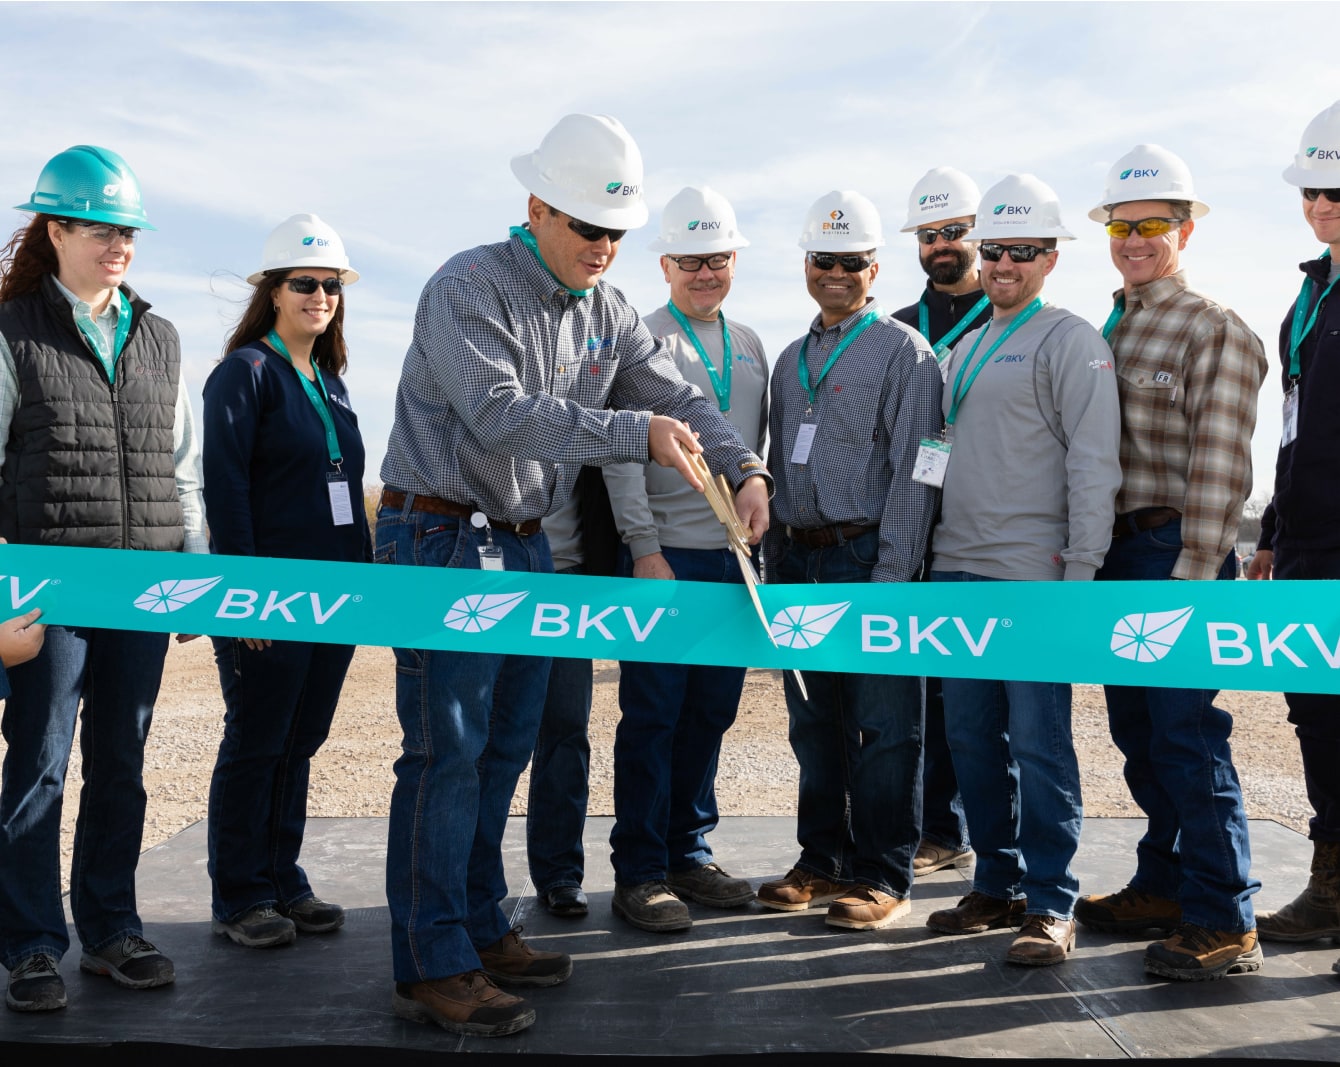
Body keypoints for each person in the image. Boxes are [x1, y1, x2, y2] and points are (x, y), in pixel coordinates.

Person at [376, 113, 771, 1038]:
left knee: (502, 748)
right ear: (537, 208)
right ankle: (433, 961)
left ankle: (478, 927)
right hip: (440, 536)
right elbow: (503, 416)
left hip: (522, 542)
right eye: (589, 227)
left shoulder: (607, 311)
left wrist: (744, 466)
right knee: (446, 752)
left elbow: (678, 396)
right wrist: (636, 433)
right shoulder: (467, 286)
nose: (604, 247)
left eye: (617, 232)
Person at [0, 145, 206, 1012]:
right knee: (39, 765)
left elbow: (182, 469)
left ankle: (113, 929)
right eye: (99, 229)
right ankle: (30, 945)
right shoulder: (12, 333)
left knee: (121, 761)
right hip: (45, 594)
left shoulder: (161, 337)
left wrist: (193, 569)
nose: (118, 244)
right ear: (55, 230)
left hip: (142, 587)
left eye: (127, 231)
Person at [1073, 146, 1267, 982]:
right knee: (1140, 735)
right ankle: (1164, 883)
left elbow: (1221, 466)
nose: (1134, 239)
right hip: (1120, 554)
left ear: (1185, 231)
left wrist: (1195, 575)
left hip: (1174, 554)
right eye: (1121, 226)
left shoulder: (1211, 327)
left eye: (1152, 224)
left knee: (1187, 735)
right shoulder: (1110, 326)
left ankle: (1225, 917)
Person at [925, 174, 1121, 966]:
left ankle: (1051, 901)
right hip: (957, 572)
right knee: (971, 740)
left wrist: (1082, 576)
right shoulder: (965, 346)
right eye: (996, 249)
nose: (1005, 263)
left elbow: (1094, 463)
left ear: (1051, 259)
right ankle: (996, 882)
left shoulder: (1072, 340)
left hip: (1033, 579)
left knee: (1040, 745)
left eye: (1025, 250)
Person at [757, 190, 941, 930]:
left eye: (851, 262)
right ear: (807, 264)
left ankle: (883, 874)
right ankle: (822, 859)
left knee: (885, 727)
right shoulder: (789, 360)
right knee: (814, 724)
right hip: (798, 561)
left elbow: (917, 472)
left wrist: (893, 577)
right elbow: (776, 462)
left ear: (874, 269)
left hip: (868, 557)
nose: (835, 273)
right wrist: (773, 561)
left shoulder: (905, 353)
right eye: (823, 260)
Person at [202, 214, 371, 949]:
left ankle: (282, 878)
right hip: (269, 596)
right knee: (257, 740)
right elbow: (225, 486)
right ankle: (241, 895)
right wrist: (244, 594)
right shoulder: (244, 372)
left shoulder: (330, 382)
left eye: (331, 285)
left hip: (334, 596)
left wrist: (364, 588)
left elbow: (348, 489)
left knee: (300, 739)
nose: (320, 296)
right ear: (272, 291)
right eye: (305, 283)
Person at [602, 186, 768, 932]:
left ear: (733, 260)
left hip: (730, 562)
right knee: (653, 716)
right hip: (665, 557)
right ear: (665, 263)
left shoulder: (753, 345)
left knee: (710, 713)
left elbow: (751, 449)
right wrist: (643, 548)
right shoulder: (641, 340)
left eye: (717, 259)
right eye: (690, 261)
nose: (706, 273)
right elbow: (621, 454)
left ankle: (688, 852)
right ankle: (640, 870)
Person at [1248, 100, 1340, 973]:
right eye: (1312, 190)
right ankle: (1332, 887)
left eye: (1336, 191)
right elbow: (1291, 429)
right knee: (1318, 716)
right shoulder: (1307, 300)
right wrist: (1274, 530)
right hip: (1309, 547)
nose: (1321, 204)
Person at [892, 166, 991, 879]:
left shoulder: (1008, 315)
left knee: (974, 692)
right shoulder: (898, 328)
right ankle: (926, 825)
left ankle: (966, 832)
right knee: (916, 689)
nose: (942, 246)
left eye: (954, 231)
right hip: (911, 522)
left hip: (981, 523)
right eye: (929, 235)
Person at [526, 467, 619, 919]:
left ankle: (559, 872)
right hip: (492, 572)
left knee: (566, 732)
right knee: (480, 740)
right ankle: (467, 880)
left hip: (568, 579)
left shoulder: (589, 416)